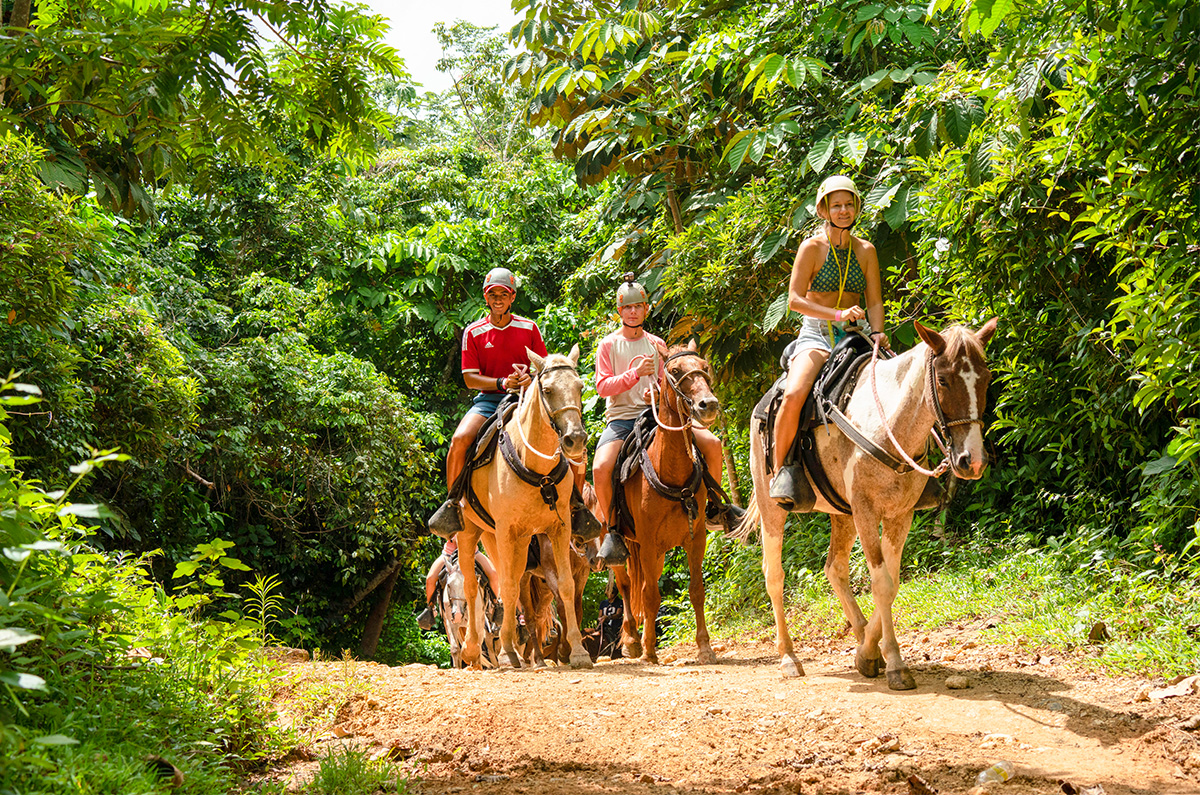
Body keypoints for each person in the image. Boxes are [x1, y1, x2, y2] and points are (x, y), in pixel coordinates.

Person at [591, 273, 743, 565]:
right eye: (627, 307)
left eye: (638, 306)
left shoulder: (657, 343)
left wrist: (659, 392)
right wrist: (635, 374)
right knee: (600, 467)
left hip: (657, 415)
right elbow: (602, 386)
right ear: (619, 311)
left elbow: (672, 386)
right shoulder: (608, 345)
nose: (633, 312)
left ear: (646, 309)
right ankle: (613, 531)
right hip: (622, 419)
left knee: (712, 444)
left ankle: (715, 507)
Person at [769, 175, 890, 511]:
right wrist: (837, 314)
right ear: (823, 209)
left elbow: (874, 301)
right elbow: (794, 300)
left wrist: (877, 331)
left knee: (903, 384)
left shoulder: (866, 250)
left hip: (856, 334)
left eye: (849, 204)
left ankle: (914, 472)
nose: (843, 211)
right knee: (794, 394)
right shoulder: (812, 248)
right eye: (836, 205)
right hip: (817, 334)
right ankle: (781, 472)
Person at [427, 267, 546, 538]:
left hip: (526, 399)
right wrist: (502, 383)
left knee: (562, 433)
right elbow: (470, 378)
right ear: (486, 297)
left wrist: (529, 379)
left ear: (512, 297)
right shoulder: (474, 332)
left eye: (503, 294)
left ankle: (573, 503)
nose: (498, 299)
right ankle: (452, 504)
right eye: (493, 294)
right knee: (459, 440)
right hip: (489, 400)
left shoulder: (529, 328)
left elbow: (543, 366)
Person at [416, 537, 502, 629]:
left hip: (472, 551)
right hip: (450, 552)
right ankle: (430, 609)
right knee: (430, 579)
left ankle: (494, 605)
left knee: (494, 574)